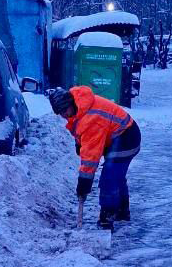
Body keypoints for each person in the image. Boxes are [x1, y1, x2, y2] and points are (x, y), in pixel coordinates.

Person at [49, 86, 141, 229]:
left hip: (127, 137)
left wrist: (84, 183)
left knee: (110, 176)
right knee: (116, 174)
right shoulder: (79, 106)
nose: (64, 115)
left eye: (65, 110)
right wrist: (79, 143)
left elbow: (91, 159)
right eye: (61, 113)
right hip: (118, 135)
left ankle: (108, 215)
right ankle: (122, 211)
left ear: (71, 103)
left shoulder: (91, 118)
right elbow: (79, 127)